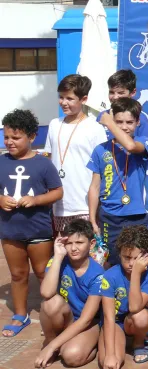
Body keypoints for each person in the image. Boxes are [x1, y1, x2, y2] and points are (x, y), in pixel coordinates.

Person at [0, 109, 63, 337]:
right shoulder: (1, 162)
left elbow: (57, 192)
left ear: (32, 137)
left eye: (16, 137)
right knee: (17, 274)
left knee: (42, 272)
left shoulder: (43, 164)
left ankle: (52, 312)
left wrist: (36, 200)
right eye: (6, 137)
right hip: (10, 231)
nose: (10, 142)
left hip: (38, 230)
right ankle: (20, 314)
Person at [87, 98, 148, 268]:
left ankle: (143, 294)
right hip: (110, 216)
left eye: (129, 122)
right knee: (111, 262)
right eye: (119, 122)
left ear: (138, 122)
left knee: (139, 263)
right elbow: (94, 187)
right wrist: (93, 220)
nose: (124, 126)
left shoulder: (142, 141)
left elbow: (130, 146)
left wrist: (109, 122)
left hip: (135, 215)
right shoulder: (101, 150)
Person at [35, 220, 104, 368]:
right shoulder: (58, 261)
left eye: (79, 243)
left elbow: (86, 319)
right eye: (69, 243)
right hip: (68, 318)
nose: (73, 248)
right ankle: (52, 340)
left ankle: (89, 343)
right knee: (50, 303)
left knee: (72, 357)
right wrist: (58, 257)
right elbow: (46, 293)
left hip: (89, 322)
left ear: (91, 244)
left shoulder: (98, 274)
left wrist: (52, 346)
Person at [45, 75, 108, 235]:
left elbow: (103, 167)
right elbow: (48, 158)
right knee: (63, 250)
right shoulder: (54, 124)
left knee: (85, 252)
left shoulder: (95, 127)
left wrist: (98, 202)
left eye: (70, 98)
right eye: (61, 97)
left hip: (85, 205)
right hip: (59, 205)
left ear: (84, 99)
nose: (63, 102)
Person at [99, 226, 148, 366]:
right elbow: (108, 317)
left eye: (136, 258)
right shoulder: (110, 276)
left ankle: (138, 343)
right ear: (119, 254)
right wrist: (109, 354)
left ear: (146, 257)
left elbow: (134, 307)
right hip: (114, 323)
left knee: (142, 316)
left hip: (133, 320)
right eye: (126, 257)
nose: (131, 263)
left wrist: (136, 274)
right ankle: (107, 343)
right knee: (110, 362)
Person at [99, 69, 148, 141]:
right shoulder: (102, 116)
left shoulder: (141, 119)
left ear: (133, 92)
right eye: (112, 92)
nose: (115, 97)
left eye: (121, 93)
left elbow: (144, 149)